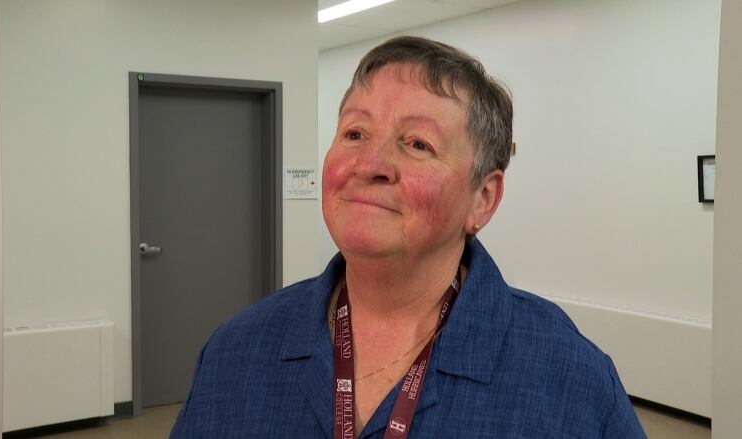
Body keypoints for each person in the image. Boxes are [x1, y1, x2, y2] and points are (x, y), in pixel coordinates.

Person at [170, 36, 646, 438]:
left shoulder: (567, 378)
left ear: (482, 198)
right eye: (355, 133)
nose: (370, 164)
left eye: (418, 144)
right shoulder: (236, 351)